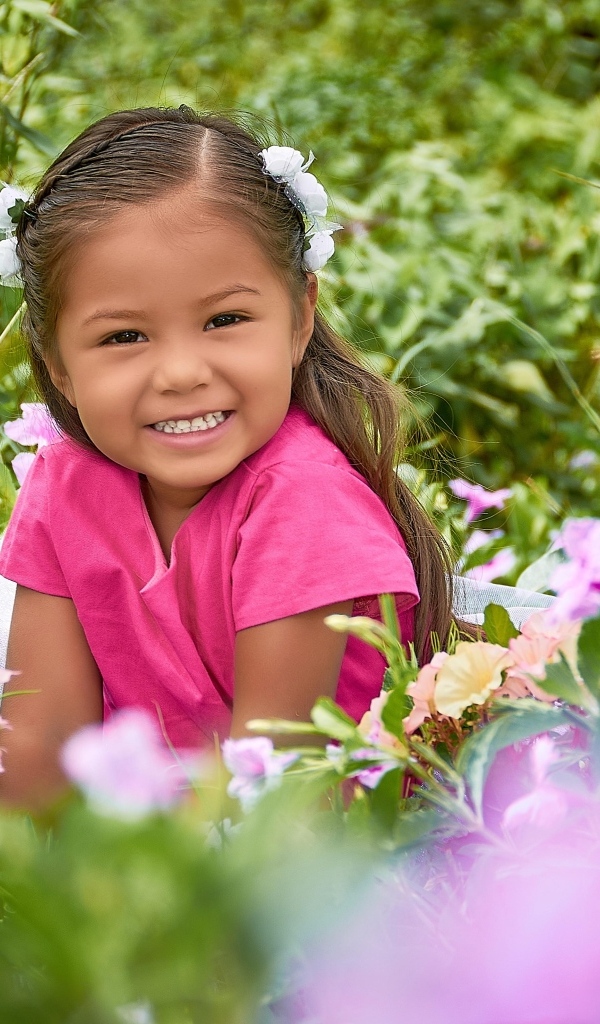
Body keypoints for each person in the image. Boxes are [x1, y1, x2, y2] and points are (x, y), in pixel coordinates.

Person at [0, 106, 454, 807]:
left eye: (225, 320)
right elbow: (37, 761)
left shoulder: (302, 500)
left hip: (321, 859)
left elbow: (274, 798)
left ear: (300, 316)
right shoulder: (66, 487)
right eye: (124, 336)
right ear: (57, 362)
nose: (182, 373)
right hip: (149, 850)